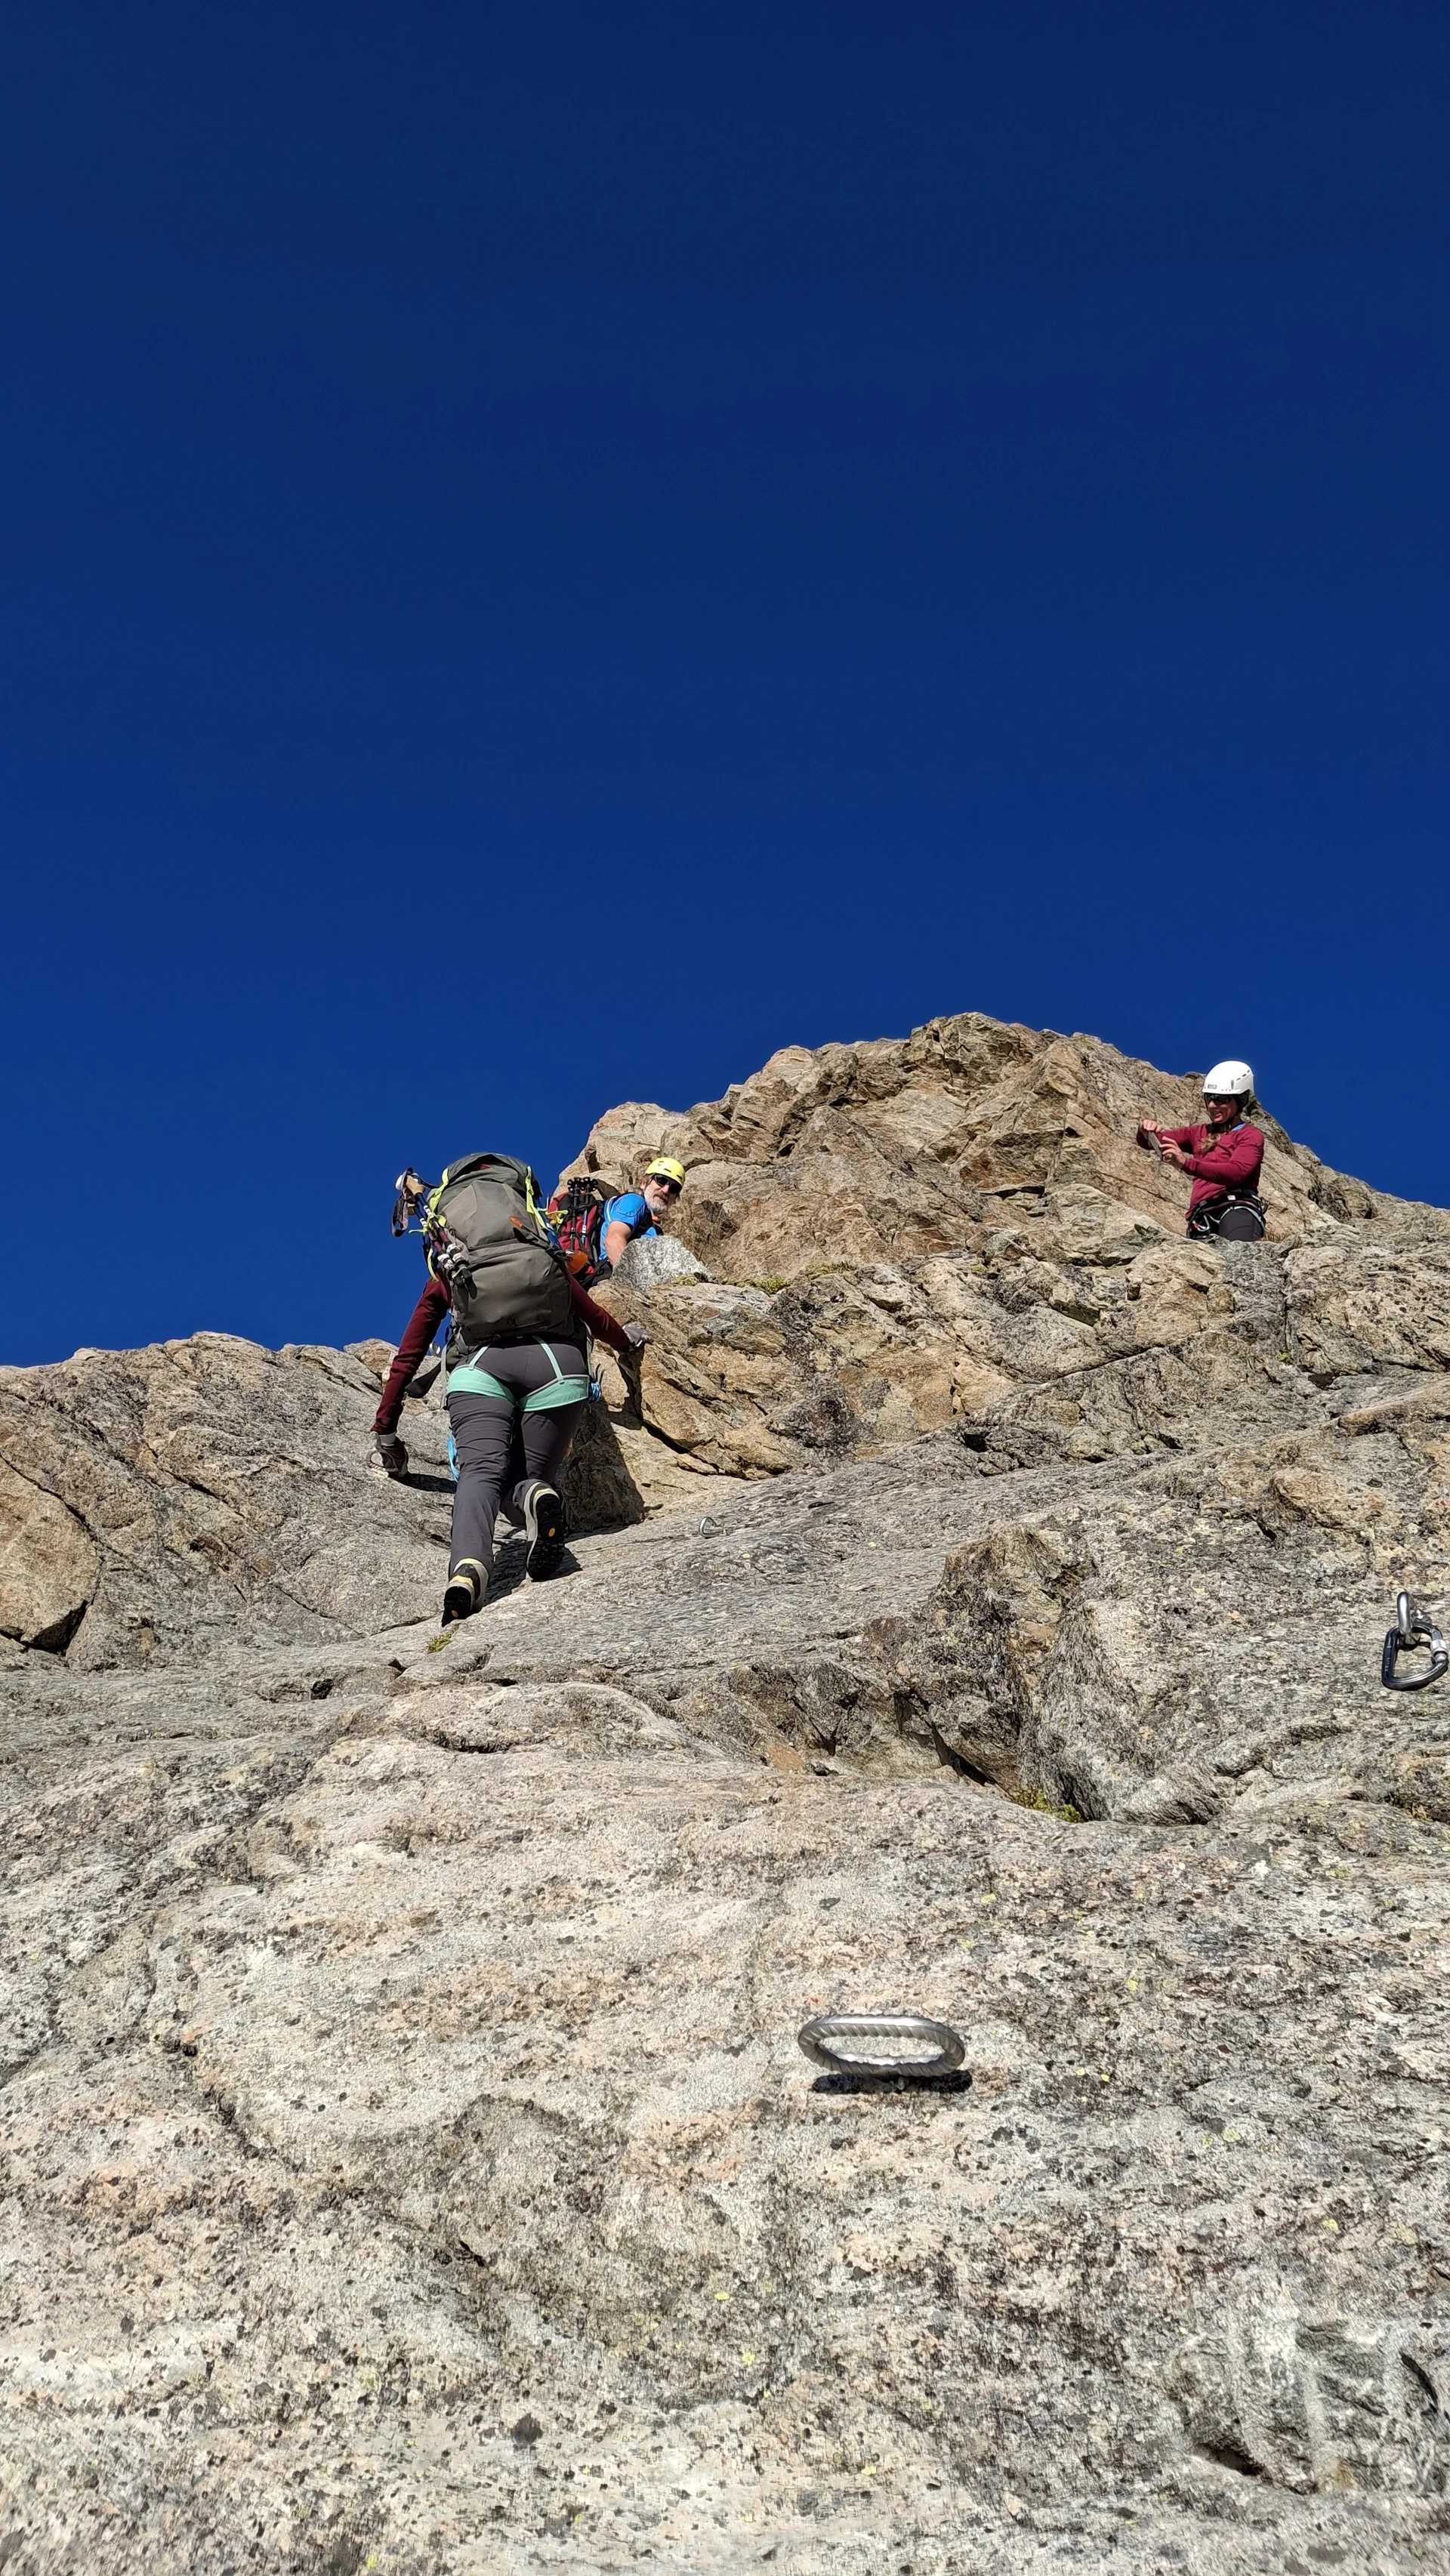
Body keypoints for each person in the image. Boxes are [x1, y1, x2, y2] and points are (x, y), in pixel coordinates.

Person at [370, 1179, 646, 1625]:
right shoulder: (541, 1256)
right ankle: (537, 1492)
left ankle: (466, 1572)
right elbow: (592, 1315)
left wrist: (386, 1426)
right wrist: (626, 1338)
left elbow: (408, 1358)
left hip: (481, 1371)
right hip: (558, 1367)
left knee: (481, 1472)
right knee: (530, 1477)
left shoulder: (451, 1273)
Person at [1137, 1060, 1266, 1240]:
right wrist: (1146, 1131)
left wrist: (1186, 1163)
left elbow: (1237, 1172)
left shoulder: (1250, 1135)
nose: (1212, 1105)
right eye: (1209, 1098)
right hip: (1201, 1216)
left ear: (1241, 1100)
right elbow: (1154, 1142)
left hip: (1236, 1211)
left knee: (1237, 1260)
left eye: (1220, 1098)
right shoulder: (1198, 1132)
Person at [596, 1157, 687, 1275]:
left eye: (674, 1188)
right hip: (606, 1274)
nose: (666, 1190)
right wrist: (632, 1285)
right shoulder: (634, 1201)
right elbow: (613, 1239)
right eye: (661, 1180)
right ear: (644, 1183)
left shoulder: (652, 1224)